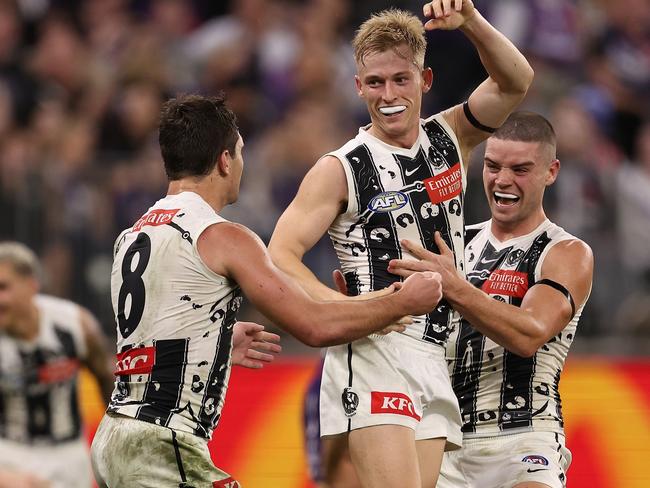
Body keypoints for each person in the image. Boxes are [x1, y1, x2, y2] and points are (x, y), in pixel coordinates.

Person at [89, 93, 444, 488]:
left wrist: (214, 344)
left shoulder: (132, 234)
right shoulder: (224, 237)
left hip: (114, 435)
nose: (242, 164)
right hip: (161, 444)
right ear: (225, 160)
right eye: (240, 153)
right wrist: (400, 302)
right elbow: (313, 325)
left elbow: (151, 334)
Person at [268, 1, 533, 486]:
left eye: (400, 79)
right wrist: (349, 307)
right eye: (374, 82)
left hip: (437, 354)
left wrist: (472, 21)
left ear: (424, 80)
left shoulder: (452, 135)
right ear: (358, 87)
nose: (388, 94)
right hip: (374, 352)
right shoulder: (339, 167)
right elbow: (280, 255)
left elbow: (516, 81)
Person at [388, 112, 594, 488]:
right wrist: (368, 307)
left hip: (524, 437)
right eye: (493, 165)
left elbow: (529, 334)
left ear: (551, 172)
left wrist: (454, 286)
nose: (502, 180)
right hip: (442, 439)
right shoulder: (454, 243)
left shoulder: (566, 252)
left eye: (520, 169)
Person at [0, 242, 115, 488]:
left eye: (3, 287)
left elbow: (109, 382)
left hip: (69, 458)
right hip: (8, 455)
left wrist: (118, 443)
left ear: (31, 285)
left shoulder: (75, 324)